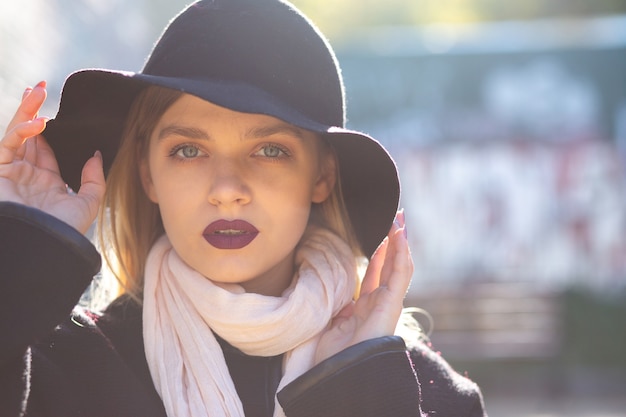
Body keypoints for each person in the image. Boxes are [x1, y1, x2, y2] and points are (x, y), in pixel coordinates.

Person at [0, 1, 487, 416]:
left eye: (269, 150)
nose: (227, 190)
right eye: (189, 150)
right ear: (148, 175)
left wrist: (361, 393)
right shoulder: (52, 368)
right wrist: (19, 260)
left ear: (321, 176)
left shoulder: (421, 390)